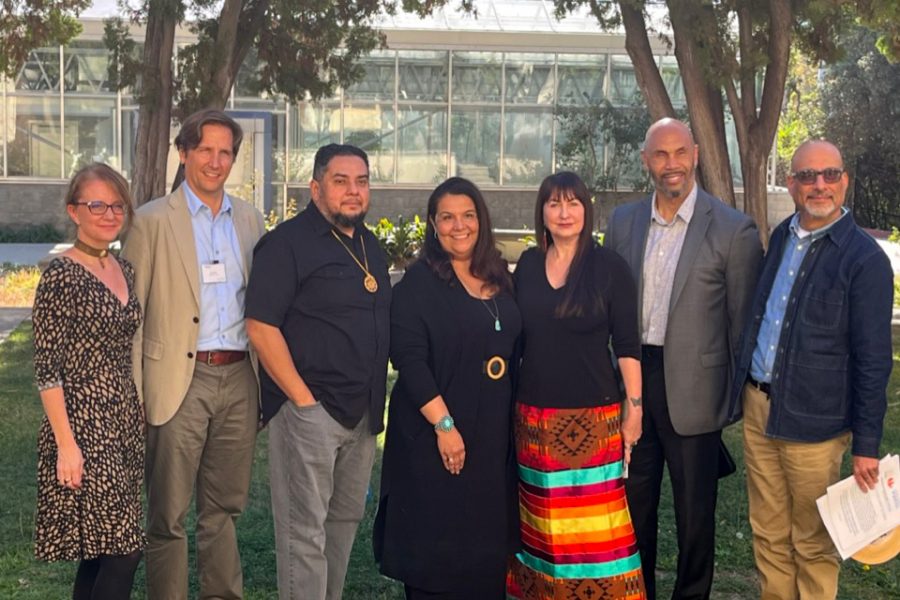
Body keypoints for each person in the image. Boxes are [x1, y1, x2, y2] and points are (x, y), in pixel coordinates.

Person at [604, 118, 762, 599]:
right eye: (659, 154)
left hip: (696, 388)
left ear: (694, 153)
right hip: (633, 383)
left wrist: (731, 401)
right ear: (645, 160)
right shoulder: (624, 222)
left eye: (678, 153)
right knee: (634, 505)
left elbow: (742, 323)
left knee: (696, 514)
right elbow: (610, 307)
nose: (670, 164)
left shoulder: (734, 231)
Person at [729, 140, 893, 600]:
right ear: (791, 184)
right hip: (761, 409)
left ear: (844, 181)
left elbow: (874, 360)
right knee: (768, 532)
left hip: (816, 424)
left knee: (814, 542)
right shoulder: (782, 236)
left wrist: (866, 445)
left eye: (829, 174)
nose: (819, 185)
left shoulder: (864, 261)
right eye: (807, 176)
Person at [121, 109, 266, 599]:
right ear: (183, 154)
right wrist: (136, 392)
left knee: (223, 508)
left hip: (240, 377)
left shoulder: (249, 219)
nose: (215, 161)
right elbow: (131, 315)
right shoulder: (151, 221)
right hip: (177, 380)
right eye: (205, 150)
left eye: (225, 152)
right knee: (168, 514)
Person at [245, 144, 391, 600]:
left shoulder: (371, 247)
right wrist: (302, 401)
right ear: (316, 187)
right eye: (340, 181)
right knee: (303, 534)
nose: (353, 191)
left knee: (343, 525)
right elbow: (261, 325)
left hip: (363, 417)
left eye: (361, 181)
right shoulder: (286, 244)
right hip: (309, 414)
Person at [373, 177, 522, 599]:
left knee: (484, 563)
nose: (460, 226)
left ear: (482, 220)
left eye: (468, 215)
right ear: (434, 225)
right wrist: (444, 427)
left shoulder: (500, 278)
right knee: (435, 563)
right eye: (448, 217)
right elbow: (409, 360)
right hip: (434, 439)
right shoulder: (418, 284)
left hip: (492, 443)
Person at [507, 171, 647, 599]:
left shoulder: (609, 268)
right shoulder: (528, 265)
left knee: (596, 532)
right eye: (554, 204)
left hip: (594, 419)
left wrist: (635, 409)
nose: (564, 213)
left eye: (572, 203)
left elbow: (627, 345)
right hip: (533, 420)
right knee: (542, 526)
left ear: (586, 210)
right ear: (542, 212)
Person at [32, 163, 143, 599]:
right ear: (73, 211)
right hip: (82, 424)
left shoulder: (125, 269)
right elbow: (47, 369)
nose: (109, 213)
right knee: (124, 549)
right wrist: (66, 444)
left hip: (123, 421)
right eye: (96, 204)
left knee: (100, 549)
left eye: (117, 204)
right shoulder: (60, 276)